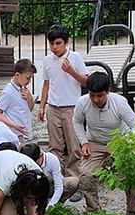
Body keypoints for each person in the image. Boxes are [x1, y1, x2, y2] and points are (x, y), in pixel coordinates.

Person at [73, 72, 135, 215]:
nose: (96, 99)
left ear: (107, 91)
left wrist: (129, 145)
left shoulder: (119, 103)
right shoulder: (82, 102)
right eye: (92, 95)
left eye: (100, 95)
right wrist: (84, 142)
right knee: (86, 173)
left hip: (120, 141)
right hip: (94, 141)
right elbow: (77, 122)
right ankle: (93, 210)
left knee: (129, 173)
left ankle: (133, 208)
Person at [38, 24, 88, 179]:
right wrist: (42, 106)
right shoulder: (47, 60)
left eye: (58, 43)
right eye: (51, 44)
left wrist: (71, 71)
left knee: (74, 146)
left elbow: (86, 81)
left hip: (72, 108)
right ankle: (57, 179)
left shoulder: (75, 57)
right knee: (55, 147)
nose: (54, 47)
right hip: (53, 108)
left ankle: (74, 180)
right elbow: (46, 83)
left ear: (66, 43)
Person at [20, 143, 79, 207]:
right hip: (35, 190)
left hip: (50, 186)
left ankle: (57, 203)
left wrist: (51, 205)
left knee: (73, 182)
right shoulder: (24, 163)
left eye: (35, 162)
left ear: (40, 155)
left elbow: (59, 186)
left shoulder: (51, 159)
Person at [0, 58, 36, 144]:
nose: (29, 81)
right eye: (27, 78)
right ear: (17, 75)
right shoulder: (8, 91)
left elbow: (29, 109)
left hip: (25, 132)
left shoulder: (23, 88)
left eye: (31, 78)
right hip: (15, 134)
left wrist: (30, 98)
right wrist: (14, 125)